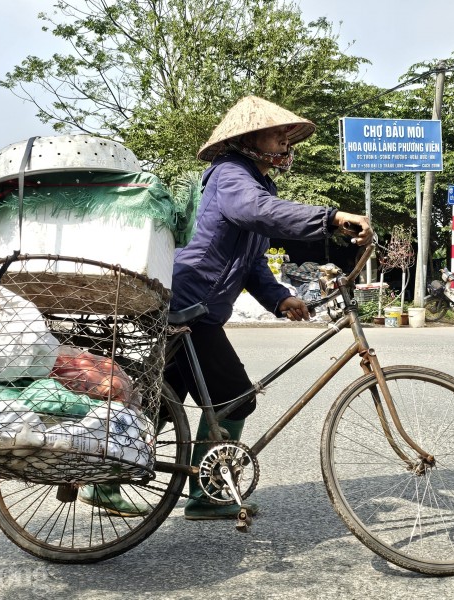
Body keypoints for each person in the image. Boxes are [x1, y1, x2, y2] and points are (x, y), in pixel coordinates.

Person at [80, 96, 373, 519]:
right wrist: (330, 218)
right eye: (277, 135)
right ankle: (207, 493)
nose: (286, 144)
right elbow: (254, 212)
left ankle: (103, 481)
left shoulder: (257, 182)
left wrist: (280, 298)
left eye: (287, 137)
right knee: (235, 398)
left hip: (193, 305)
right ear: (249, 139)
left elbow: (251, 260)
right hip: (187, 302)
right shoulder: (232, 174)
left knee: (162, 402)